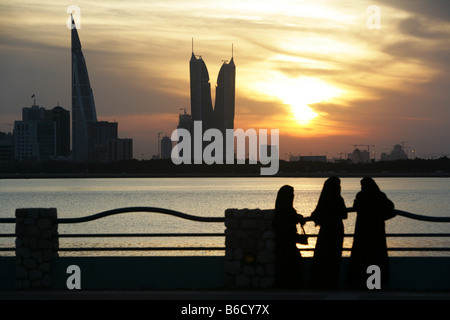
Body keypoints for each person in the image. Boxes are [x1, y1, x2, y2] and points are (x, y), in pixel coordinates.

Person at [348, 177, 396, 288]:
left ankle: (360, 282)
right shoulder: (380, 195)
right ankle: (375, 283)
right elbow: (390, 207)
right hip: (376, 232)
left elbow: (356, 207)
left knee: (362, 257)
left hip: (362, 232)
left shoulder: (361, 196)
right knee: (376, 257)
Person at [309, 176, 348, 290]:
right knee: (334, 257)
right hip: (337, 231)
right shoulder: (338, 199)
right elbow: (344, 215)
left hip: (325, 231)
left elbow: (315, 215)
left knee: (322, 255)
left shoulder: (324, 198)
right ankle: (332, 283)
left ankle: (319, 282)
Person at [272, 185, 306, 289]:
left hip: (281, 245)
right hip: (287, 245)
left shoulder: (281, 209)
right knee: (292, 264)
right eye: (291, 195)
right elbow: (288, 223)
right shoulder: (287, 210)